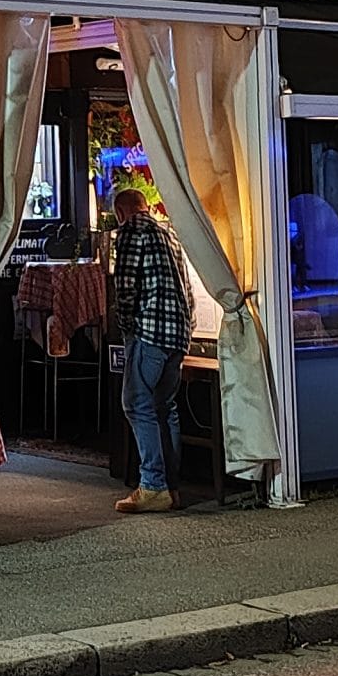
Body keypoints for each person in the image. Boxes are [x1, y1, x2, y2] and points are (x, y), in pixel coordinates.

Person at [107, 187, 194, 514]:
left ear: (121, 213)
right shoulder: (169, 233)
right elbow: (186, 287)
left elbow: (126, 286)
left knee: (136, 404)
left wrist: (127, 326)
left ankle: (153, 485)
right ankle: (172, 486)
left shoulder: (130, 231)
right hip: (178, 334)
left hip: (150, 332)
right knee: (164, 407)